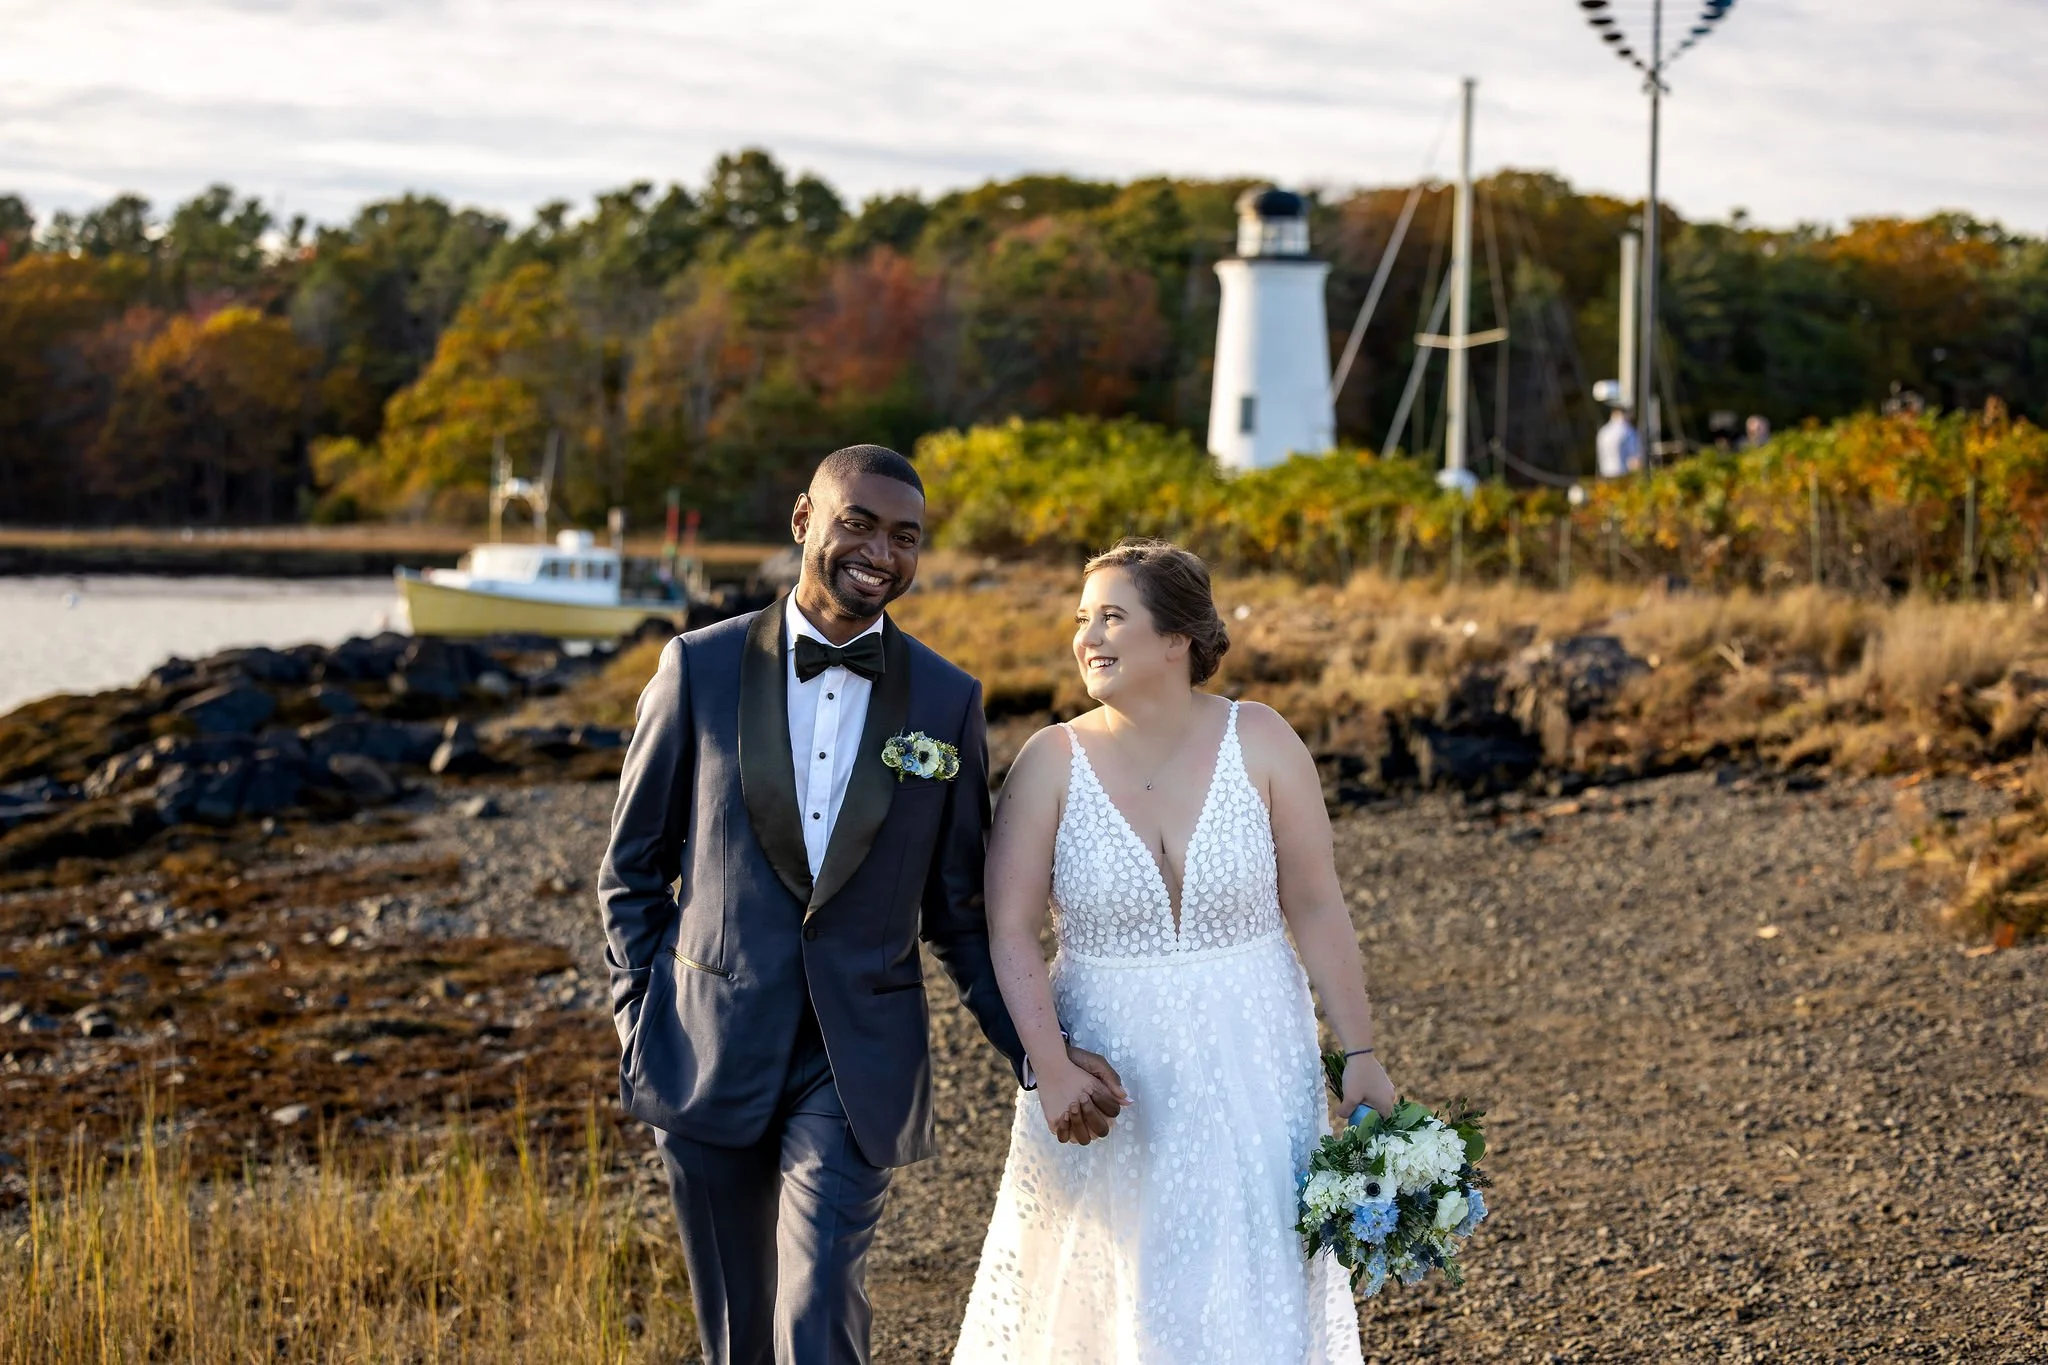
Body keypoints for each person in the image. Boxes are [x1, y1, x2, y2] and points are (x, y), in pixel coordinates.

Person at [599, 445, 1127, 1365]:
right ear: (805, 520)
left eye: (906, 536)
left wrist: (1041, 1056)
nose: (881, 552)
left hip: (855, 1064)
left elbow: (961, 912)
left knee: (817, 1311)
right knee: (738, 1336)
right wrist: (638, 1021)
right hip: (703, 1043)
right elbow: (631, 872)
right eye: (860, 523)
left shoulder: (948, 699)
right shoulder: (698, 668)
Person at [953, 538, 1396, 1364]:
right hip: (1111, 1073)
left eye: (1113, 616)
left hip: (1258, 1054)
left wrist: (1361, 1050)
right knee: (1128, 1288)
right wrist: (1048, 1063)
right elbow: (1009, 926)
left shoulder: (1262, 739)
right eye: (1083, 619)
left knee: (1257, 1268)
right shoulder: (1051, 760)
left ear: (1177, 638)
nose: (1088, 637)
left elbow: (1315, 901)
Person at [1595, 406, 1643, 479]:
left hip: (1605, 473)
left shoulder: (1603, 431)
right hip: (1623, 475)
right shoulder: (1627, 430)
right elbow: (1634, 460)